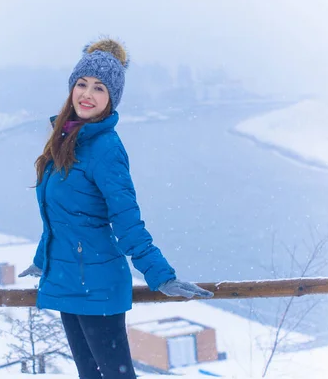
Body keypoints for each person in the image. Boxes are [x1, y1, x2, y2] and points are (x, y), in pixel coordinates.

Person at [19, 38, 214, 379]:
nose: (87, 94)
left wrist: (161, 275)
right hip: (67, 281)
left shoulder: (106, 148)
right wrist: (43, 261)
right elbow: (61, 219)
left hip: (97, 285)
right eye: (82, 84)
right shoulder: (64, 139)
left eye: (99, 88)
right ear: (71, 88)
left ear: (111, 100)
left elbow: (126, 222)